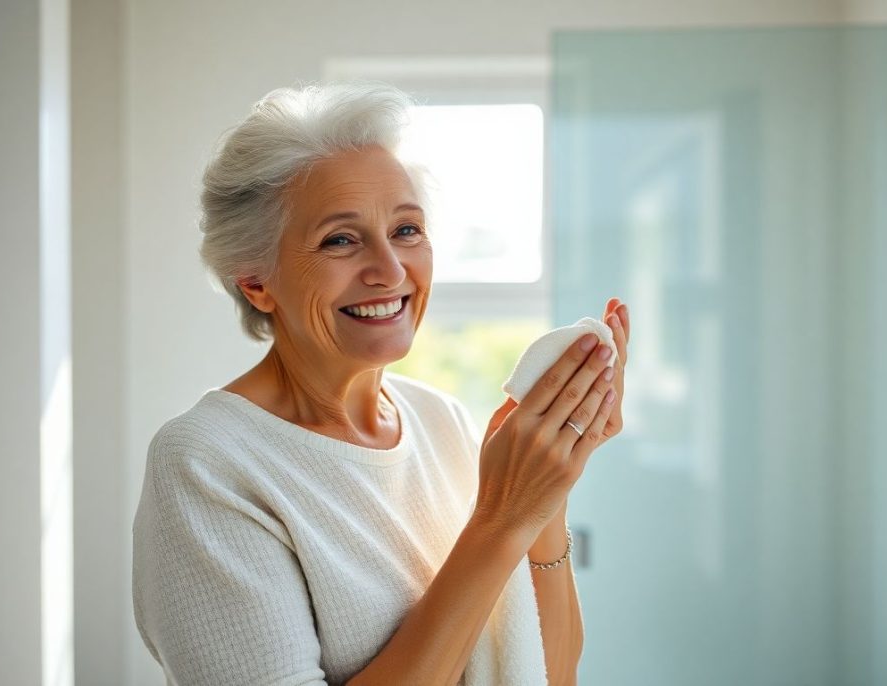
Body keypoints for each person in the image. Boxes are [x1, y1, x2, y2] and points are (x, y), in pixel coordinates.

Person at [131, 81, 630, 686]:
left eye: (407, 230)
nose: (390, 271)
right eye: (340, 239)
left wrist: (545, 494)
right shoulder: (208, 463)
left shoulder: (442, 421)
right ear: (256, 281)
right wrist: (501, 517)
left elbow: (551, 673)